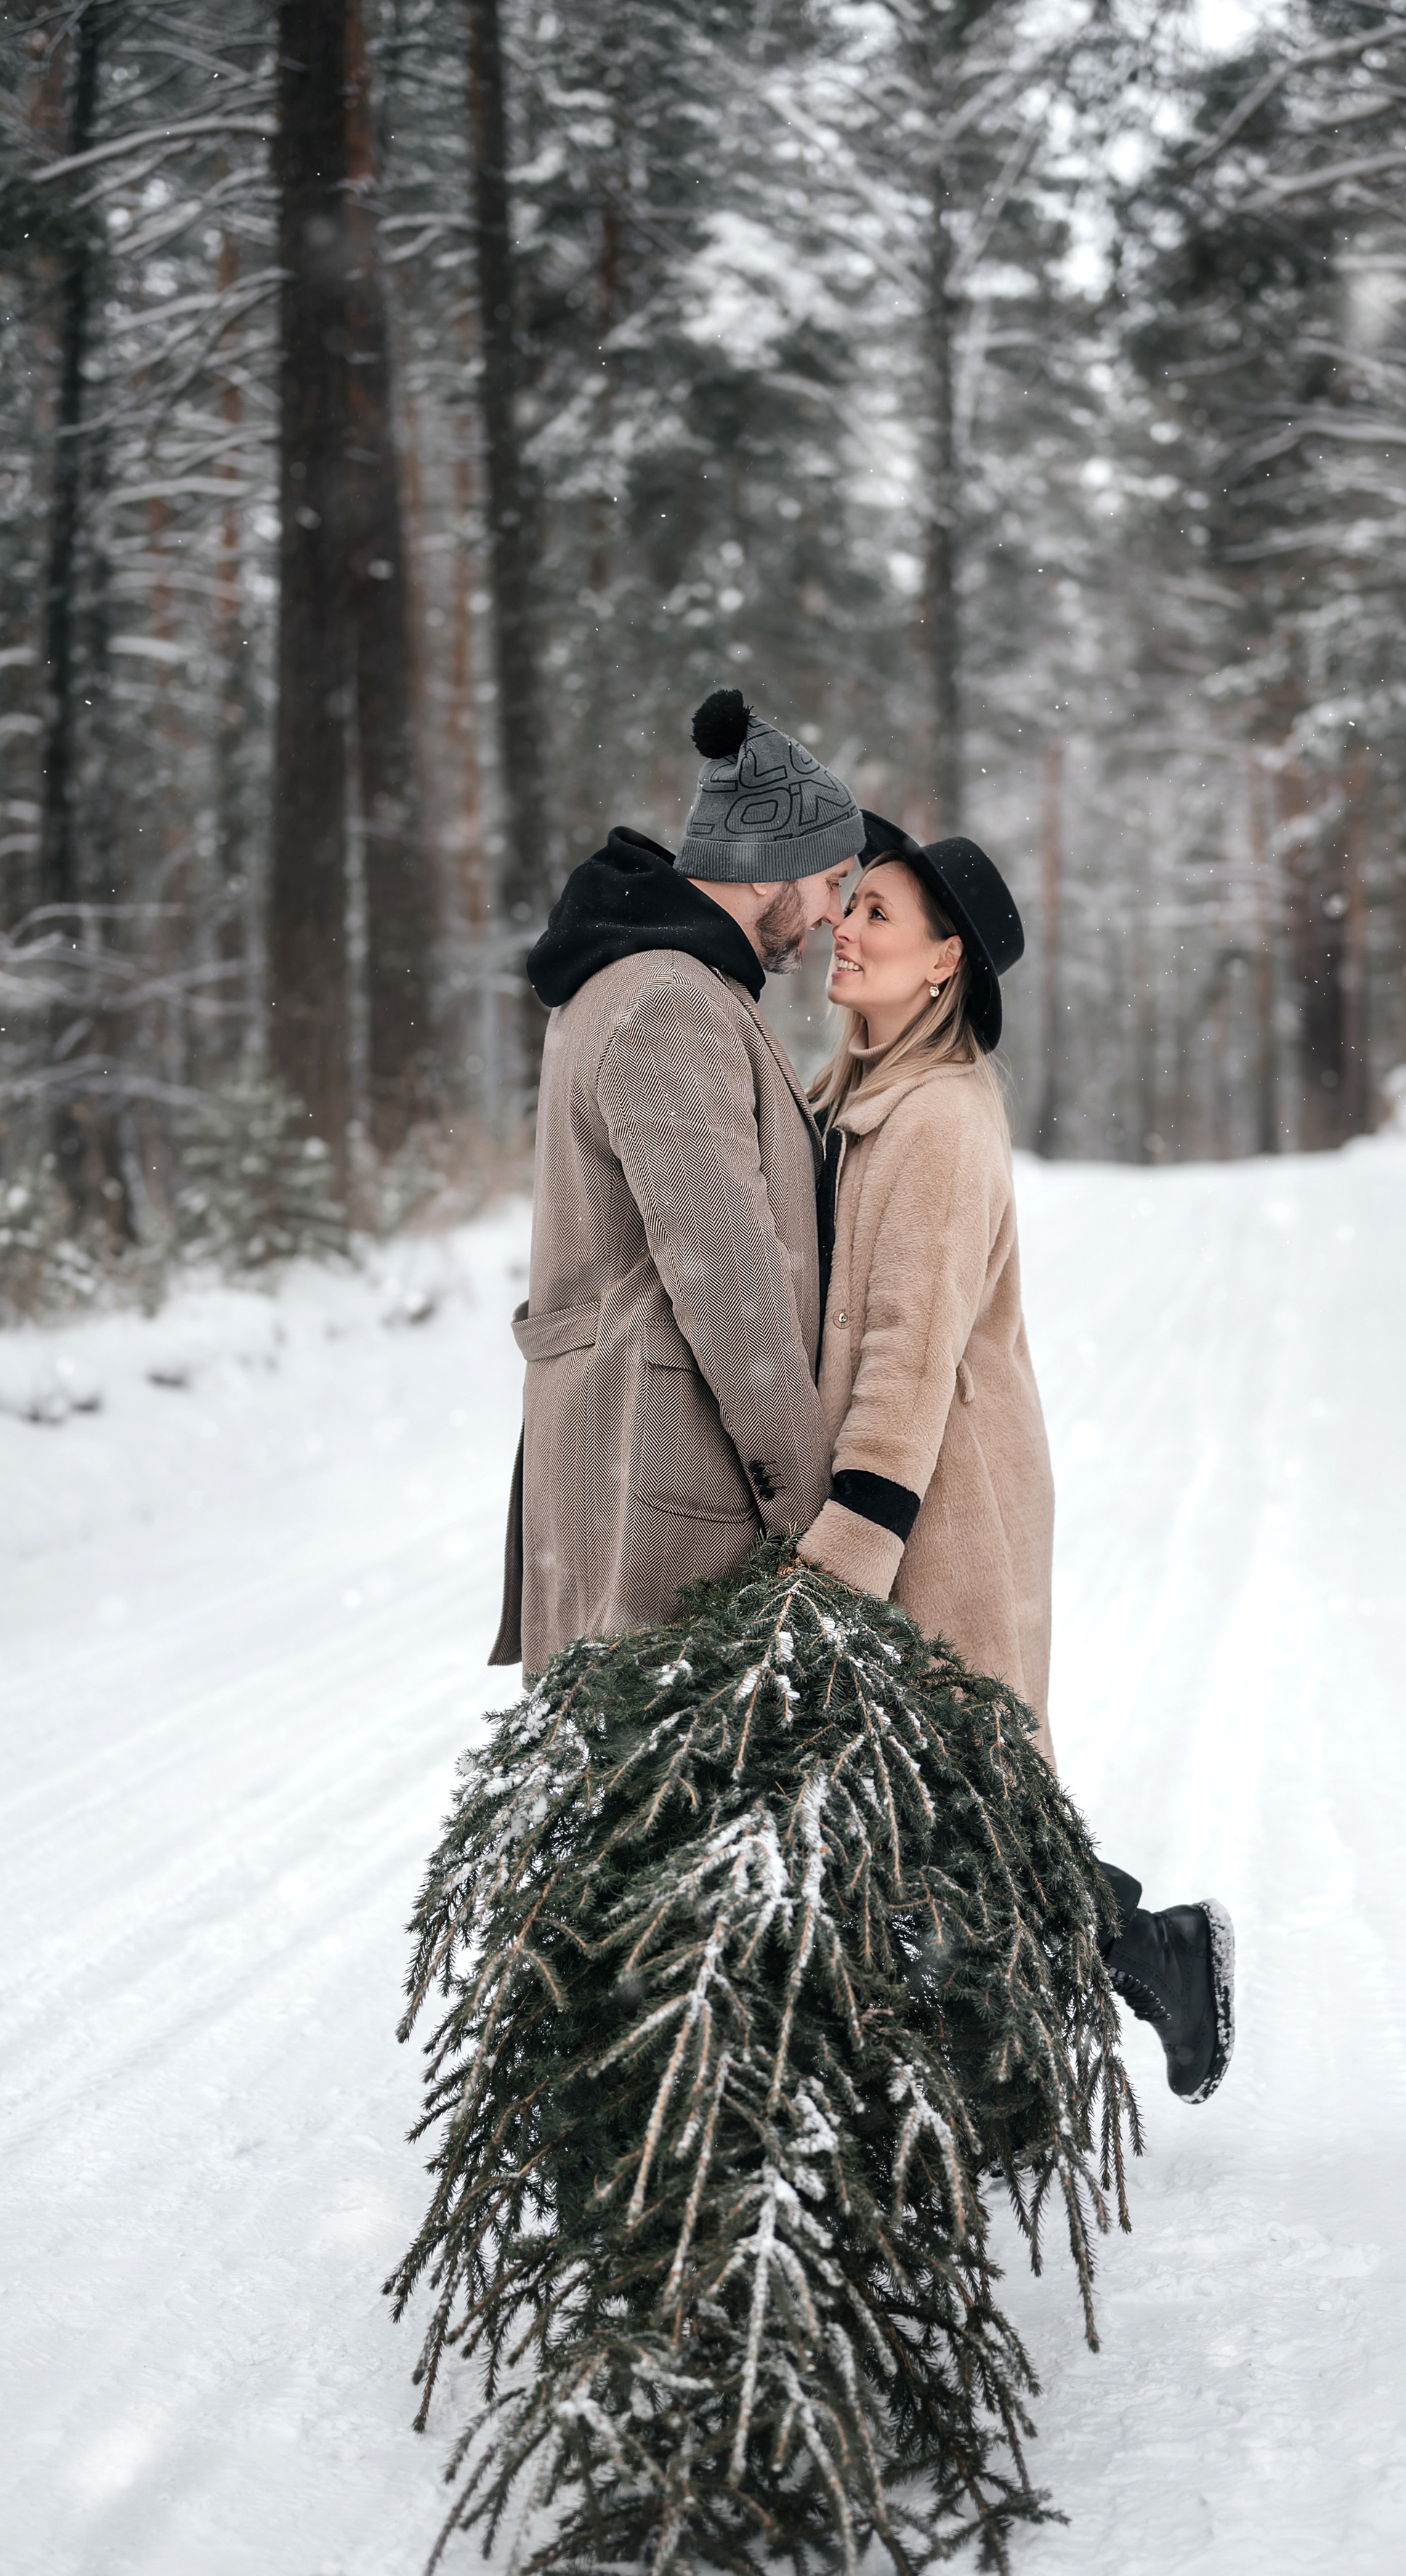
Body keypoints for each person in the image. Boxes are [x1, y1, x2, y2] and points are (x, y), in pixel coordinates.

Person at [794, 812, 1236, 2103]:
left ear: (944, 967)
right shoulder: (849, 1093)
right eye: (850, 901)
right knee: (948, 1790)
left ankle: (1130, 1976)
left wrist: (847, 1547)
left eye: (880, 913)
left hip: (942, 1498)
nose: (846, 925)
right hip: (898, 1487)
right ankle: (1099, 1992)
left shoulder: (937, 1120)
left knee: (967, 1794)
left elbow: (910, 1350)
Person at [489, 689, 860, 1675]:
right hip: (664, 1495)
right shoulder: (669, 1002)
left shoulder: (655, 980)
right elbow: (731, 1282)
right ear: (766, 865)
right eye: (828, 879)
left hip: (632, 1471)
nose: (831, 913)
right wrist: (811, 1517)